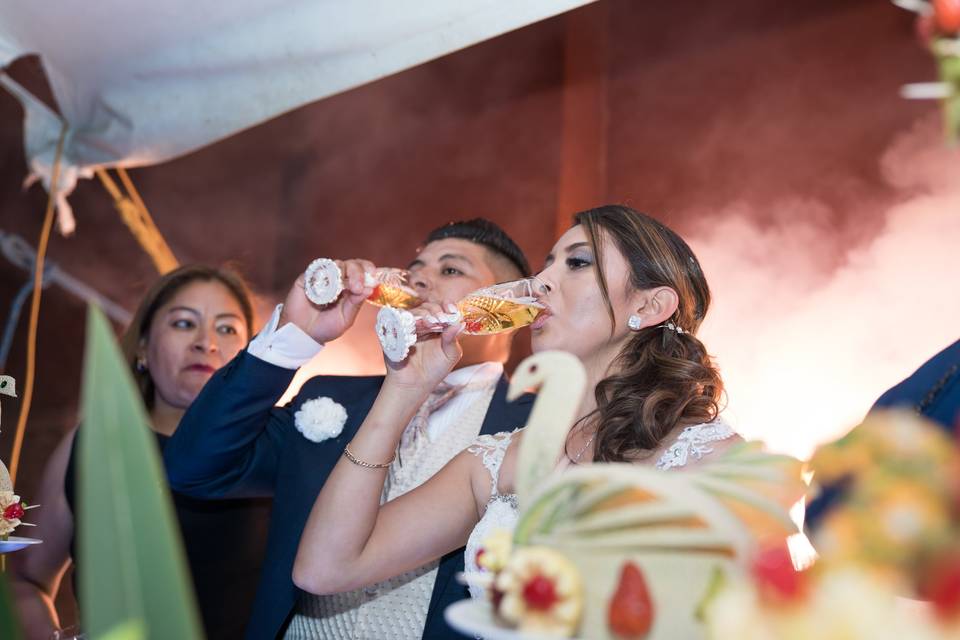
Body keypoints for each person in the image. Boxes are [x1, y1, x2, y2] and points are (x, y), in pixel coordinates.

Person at [291, 205, 739, 606]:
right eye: (547, 264)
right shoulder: (495, 460)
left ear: (649, 304)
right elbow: (326, 569)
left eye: (577, 263)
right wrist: (403, 389)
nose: (540, 282)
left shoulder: (712, 461)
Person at [163, 219, 536, 640]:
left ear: (506, 306)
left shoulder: (541, 425)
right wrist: (295, 335)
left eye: (450, 270)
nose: (419, 281)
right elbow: (194, 469)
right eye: (415, 269)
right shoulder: (332, 396)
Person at [8, 265, 271, 640]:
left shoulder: (275, 453)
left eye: (227, 328)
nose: (206, 342)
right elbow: (25, 579)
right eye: (184, 323)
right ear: (144, 346)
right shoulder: (96, 447)